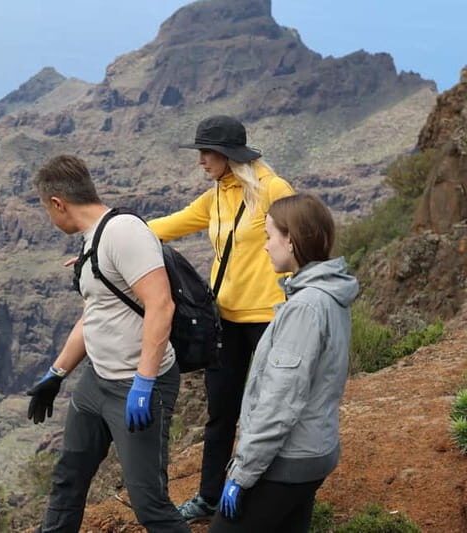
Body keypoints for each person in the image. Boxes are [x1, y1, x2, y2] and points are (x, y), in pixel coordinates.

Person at [27, 155, 191, 533]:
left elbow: (161, 305)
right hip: (96, 382)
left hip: (136, 385)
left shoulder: (123, 233)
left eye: (46, 209)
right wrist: (56, 373)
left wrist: (144, 383)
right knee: (69, 477)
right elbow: (96, 314)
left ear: (58, 203)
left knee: (149, 503)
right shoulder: (92, 240)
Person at [147, 115, 295, 522]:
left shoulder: (273, 189)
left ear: (229, 155)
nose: (201, 160)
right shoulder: (215, 196)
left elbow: (298, 241)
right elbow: (165, 227)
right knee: (220, 413)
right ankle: (209, 497)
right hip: (224, 322)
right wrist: (107, 238)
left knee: (267, 413)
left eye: (207, 152)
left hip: (268, 320)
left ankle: (269, 497)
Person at [210, 193, 358, 532]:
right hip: (314, 450)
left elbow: (280, 400)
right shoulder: (329, 295)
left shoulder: (305, 307)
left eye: (269, 236)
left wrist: (242, 474)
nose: (265, 246)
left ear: (291, 239)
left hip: (288, 460)